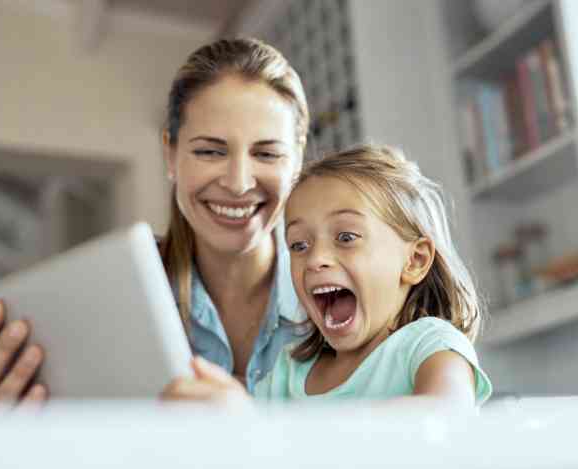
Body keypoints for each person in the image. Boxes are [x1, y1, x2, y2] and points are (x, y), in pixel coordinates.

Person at [0, 37, 310, 402]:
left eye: (267, 153)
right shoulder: (102, 307)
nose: (239, 182)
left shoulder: (353, 296)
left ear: (297, 159)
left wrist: (248, 438)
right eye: (210, 151)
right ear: (170, 154)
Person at [165, 144, 492, 410]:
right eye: (299, 245)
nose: (315, 260)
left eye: (346, 237)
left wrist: (256, 426)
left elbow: (446, 417)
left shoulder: (430, 345)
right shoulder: (287, 372)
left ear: (415, 260)